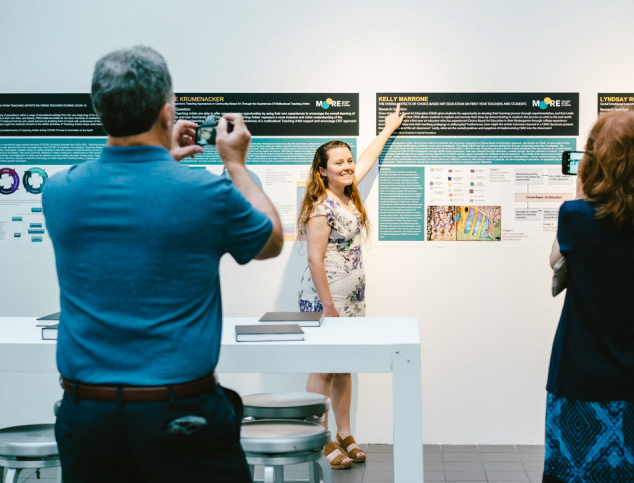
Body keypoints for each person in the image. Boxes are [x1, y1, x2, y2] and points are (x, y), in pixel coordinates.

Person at [43, 46, 283, 483]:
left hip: (87, 419)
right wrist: (236, 165)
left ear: (99, 109)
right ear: (167, 112)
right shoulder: (205, 194)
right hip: (180, 415)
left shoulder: (60, 192)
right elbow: (270, 241)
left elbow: (137, 205)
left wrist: (162, 158)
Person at [544, 110, 634, 482]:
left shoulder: (575, 216)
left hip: (581, 371)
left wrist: (586, 185)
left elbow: (554, 258)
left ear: (597, 157)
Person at [297, 103, 405, 469]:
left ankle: (345, 434)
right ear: (322, 171)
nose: (346, 166)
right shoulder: (320, 207)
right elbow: (314, 260)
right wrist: (328, 306)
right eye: (338, 163)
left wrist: (387, 129)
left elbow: (368, 158)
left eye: (347, 161)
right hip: (325, 300)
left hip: (352, 298)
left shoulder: (346, 193)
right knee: (323, 368)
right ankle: (321, 439)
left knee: (343, 367)